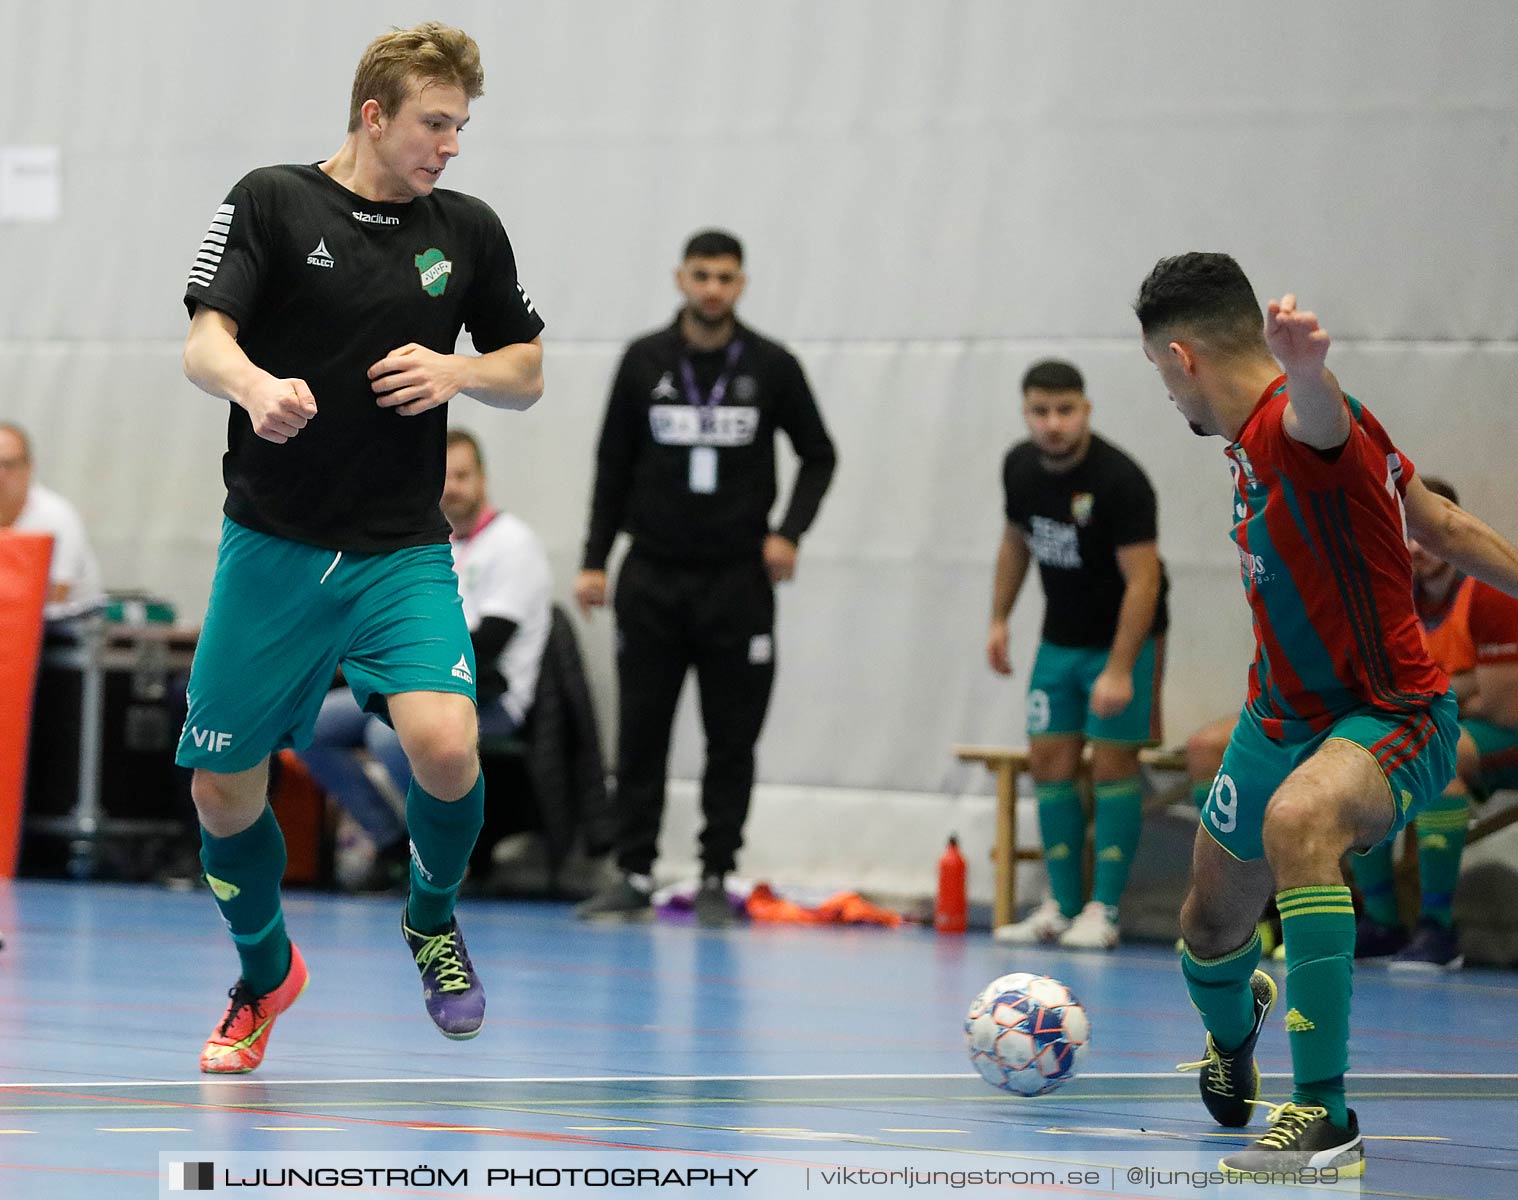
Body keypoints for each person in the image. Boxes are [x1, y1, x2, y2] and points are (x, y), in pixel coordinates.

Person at [176, 22, 544, 1073]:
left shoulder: (466, 230)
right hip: (273, 546)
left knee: (443, 745)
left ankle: (429, 918)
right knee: (220, 791)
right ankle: (267, 972)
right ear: (374, 114)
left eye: (461, 125)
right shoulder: (273, 200)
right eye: (436, 123)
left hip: (398, 553)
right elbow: (206, 338)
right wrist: (253, 385)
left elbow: (527, 365)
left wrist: (460, 373)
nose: (452, 144)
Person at [1135, 252, 1518, 1174]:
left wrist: (1308, 373)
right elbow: (1440, 525)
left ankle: (1324, 1115)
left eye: (1159, 375)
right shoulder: (1254, 445)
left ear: (1183, 359)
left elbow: (1318, 422)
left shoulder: (1293, 425)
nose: (1168, 396)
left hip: (1393, 713)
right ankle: (1236, 1032)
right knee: (1208, 928)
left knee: (1301, 820)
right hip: (1280, 718)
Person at [573, 229, 836, 928]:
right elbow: (611, 465)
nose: (713, 288)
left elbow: (820, 455)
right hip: (652, 578)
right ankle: (632, 870)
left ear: (741, 284)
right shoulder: (643, 361)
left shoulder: (772, 365)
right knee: (642, 733)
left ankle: (717, 872)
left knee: (732, 737)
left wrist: (788, 533)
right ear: (680, 279)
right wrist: (595, 559)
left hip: (737, 582)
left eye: (725, 277)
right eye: (701, 275)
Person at [301, 428, 552, 893]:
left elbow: (489, 645)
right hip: (412, 682)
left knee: (388, 733)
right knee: (307, 722)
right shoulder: (426, 546)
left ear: (483, 479)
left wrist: (397, 672)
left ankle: (449, 856)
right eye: (444, 477)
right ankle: (393, 843)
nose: (452, 487)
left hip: (488, 697)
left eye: (463, 475)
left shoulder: (514, 544)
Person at [987, 360, 1168, 951]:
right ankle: (1061, 906)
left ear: (1086, 410)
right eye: (1040, 411)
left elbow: (1145, 580)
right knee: (1048, 762)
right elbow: (1016, 543)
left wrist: (1120, 669)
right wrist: (998, 620)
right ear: (1026, 413)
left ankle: (1104, 910)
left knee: (1113, 766)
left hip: (1119, 644)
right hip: (1058, 642)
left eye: (1065, 411)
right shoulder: (1018, 466)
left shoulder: (1120, 480)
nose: (1053, 424)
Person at [1353, 475, 1518, 970]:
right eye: (1402, 532)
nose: (1413, 545)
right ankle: (1382, 922)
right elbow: (1378, 688)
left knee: (1433, 759)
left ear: (1449, 531)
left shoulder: (1489, 592)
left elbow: (1504, 708)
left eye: (1423, 531)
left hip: (1506, 732)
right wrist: (1461, 685)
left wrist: (1436, 699)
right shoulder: (1394, 595)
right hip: (1452, 725)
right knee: (1361, 763)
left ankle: (1438, 930)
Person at [0, 422, 103, 621]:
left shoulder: (56, 515)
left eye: (9, 465)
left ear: (29, 467)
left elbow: (56, 592)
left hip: (69, 623)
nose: (1, 475)